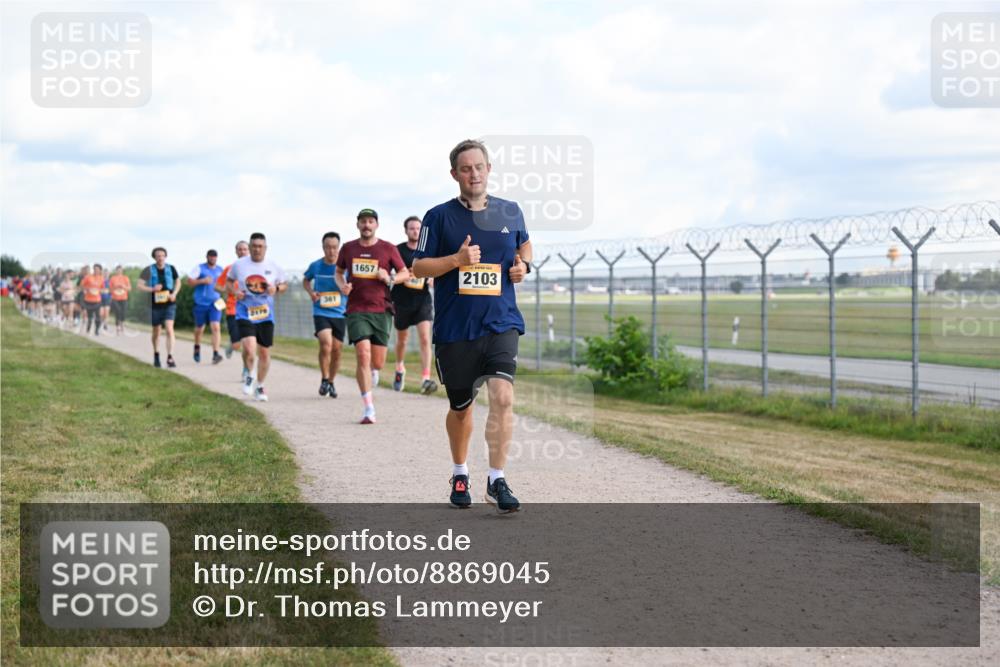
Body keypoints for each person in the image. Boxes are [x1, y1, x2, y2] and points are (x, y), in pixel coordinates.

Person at [412, 139, 532, 513]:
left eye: (479, 167)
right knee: (461, 409)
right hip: (456, 329)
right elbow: (419, 267)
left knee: (503, 396)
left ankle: (497, 479)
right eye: (466, 168)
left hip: (501, 321)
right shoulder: (438, 217)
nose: (474, 174)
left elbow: (524, 247)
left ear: (488, 169)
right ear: (455, 174)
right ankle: (460, 472)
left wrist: (523, 266)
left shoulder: (510, 211)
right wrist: (456, 260)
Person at [335, 209, 409, 424]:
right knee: (363, 354)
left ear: (376, 225)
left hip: (381, 309)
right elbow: (338, 272)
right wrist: (342, 285)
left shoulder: (388, 248)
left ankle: (374, 371)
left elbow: (405, 273)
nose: (366, 225)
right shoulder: (348, 248)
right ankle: (369, 408)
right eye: (363, 221)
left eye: (370, 221)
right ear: (357, 224)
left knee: (377, 362)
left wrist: (390, 278)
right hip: (356, 309)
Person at [229, 232, 287, 402]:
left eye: (260, 246)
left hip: (265, 314)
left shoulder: (273, 266)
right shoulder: (239, 265)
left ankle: (260, 386)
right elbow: (229, 282)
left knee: (264, 352)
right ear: (250, 247)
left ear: (265, 248)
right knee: (249, 348)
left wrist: (276, 289)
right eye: (254, 246)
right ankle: (249, 374)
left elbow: (284, 284)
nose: (257, 249)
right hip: (244, 311)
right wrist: (235, 292)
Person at [391, 215, 438, 395]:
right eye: (412, 228)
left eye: (418, 228)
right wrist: (400, 276)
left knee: (425, 338)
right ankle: (399, 368)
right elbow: (391, 272)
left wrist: (433, 278)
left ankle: (425, 378)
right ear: (406, 231)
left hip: (422, 300)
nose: (415, 231)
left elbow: (436, 270)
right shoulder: (397, 250)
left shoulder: (428, 250)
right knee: (402, 340)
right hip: (401, 300)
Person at [303, 232, 347, 399]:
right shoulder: (316, 266)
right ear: (323, 248)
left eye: (334, 247)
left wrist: (348, 289)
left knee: (337, 350)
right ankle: (324, 378)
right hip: (321, 311)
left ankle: (331, 382)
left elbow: (352, 285)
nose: (331, 251)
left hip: (340, 313)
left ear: (339, 248)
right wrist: (311, 293)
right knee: (326, 343)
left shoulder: (345, 268)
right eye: (328, 247)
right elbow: (306, 280)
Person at [138, 247, 181, 368]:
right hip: (155, 305)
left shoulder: (171, 268)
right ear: (154, 257)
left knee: (169, 329)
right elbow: (139, 285)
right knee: (156, 331)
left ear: (165, 256)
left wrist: (174, 294)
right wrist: (152, 289)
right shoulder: (148, 270)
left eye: (162, 255)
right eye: (158, 256)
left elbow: (178, 282)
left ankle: (170, 357)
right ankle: (156, 354)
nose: (160, 258)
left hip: (169, 303)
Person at [216, 240, 251, 380]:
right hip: (233, 309)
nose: (242, 251)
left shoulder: (255, 268)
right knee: (237, 345)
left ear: (249, 251)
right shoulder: (230, 268)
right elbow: (217, 286)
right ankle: (232, 344)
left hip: (250, 310)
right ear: (236, 252)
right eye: (240, 249)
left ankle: (246, 370)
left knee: (248, 345)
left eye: (245, 249)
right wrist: (231, 290)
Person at [187, 249, 225, 364]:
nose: (213, 258)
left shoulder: (220, 270)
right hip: (201, 303)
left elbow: (224, 285)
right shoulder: (199, 268)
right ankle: (197, 347)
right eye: (211, 256)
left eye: (215, 256)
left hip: (215, 303)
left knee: (216, 327)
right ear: (207, 257)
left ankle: (216, 354)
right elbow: (189, 282)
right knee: (200, 328)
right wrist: (202, 281)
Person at [80, 264, 105, 335]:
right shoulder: (88, 277)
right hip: (88, 300)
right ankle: (88, 327)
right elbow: (82, 286)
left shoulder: (101, 278)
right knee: (90, 316)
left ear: (100, 270)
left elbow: (102, 288)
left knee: (98, 316)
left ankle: (97, 330)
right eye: (94, 269)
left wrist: (100, 291)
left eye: (97, 269)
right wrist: (87, 289)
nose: (96, 270)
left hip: (97, 300)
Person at [108, 266, 132, 335]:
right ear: (116, 271)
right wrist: (115, 287)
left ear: (122, 271)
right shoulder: (113, 278)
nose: (119, 271)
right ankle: (117, 327)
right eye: (117, 270)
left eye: (120, 270)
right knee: (117, 312)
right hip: (115, 298)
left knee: (123, 312)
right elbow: (110, 289)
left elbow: (129, 288)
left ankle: (122, 323)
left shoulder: (125, 278)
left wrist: (123, 286)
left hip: (124, 298)